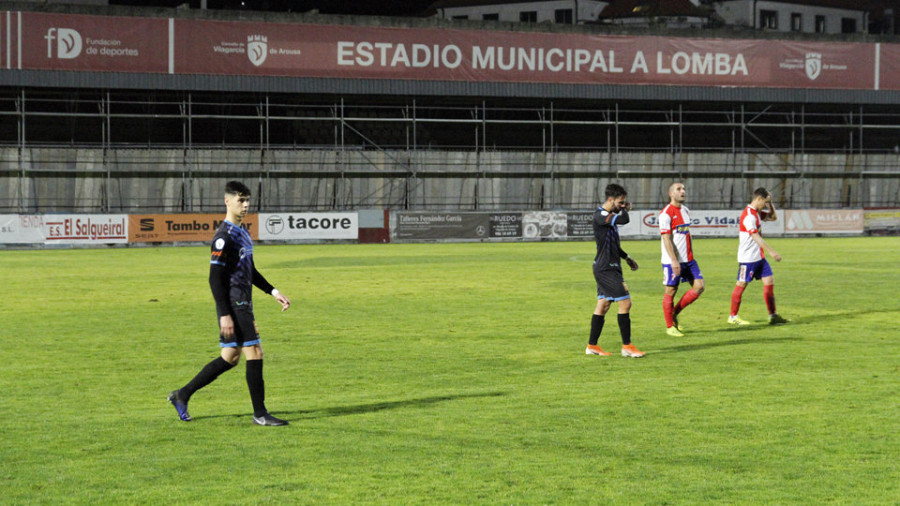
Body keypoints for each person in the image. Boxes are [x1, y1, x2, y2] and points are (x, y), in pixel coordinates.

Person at [168, 181, 293, 426]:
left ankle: (181, 395)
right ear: (228, 201)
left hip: (243, 302)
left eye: (247, 201)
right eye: (240, 201)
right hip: (235, 304)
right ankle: (260, 414)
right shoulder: (223, 237)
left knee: (230, 357)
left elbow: (250, 270)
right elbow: (214, 278)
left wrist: (273, 291)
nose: (246, 206)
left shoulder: (243, 232)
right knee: (254, 352)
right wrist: (225, 314)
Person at [586, 183, 645, 358]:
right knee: (625, 303)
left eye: (624, 203)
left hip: (610, 266)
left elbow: (613, 245)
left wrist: (627, 258)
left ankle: (592, 345)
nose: (622, 205)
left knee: (603, 305)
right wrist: (626, 209)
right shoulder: (601, 215)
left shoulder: (608, 215)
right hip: (606, 269)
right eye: (620, 202)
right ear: (611, 200)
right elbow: (624, 219)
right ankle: (627, 346)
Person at [729, 187, 789, 325]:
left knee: (769, 282)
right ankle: (733, 316)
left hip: (759, 258)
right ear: (759, 199)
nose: (765, 205)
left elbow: (773, 217)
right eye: (765, 202)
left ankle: (773, 316)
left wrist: (770, 203)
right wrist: (772, 251)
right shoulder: (749, 215)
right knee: (741, 284)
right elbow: (755, 236)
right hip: (748, 258)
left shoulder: (756, 212)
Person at [659, 182, 704, 337]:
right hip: (673, 261)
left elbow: (686, 235)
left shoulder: (685, 210)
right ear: (671, 193)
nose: (683, 191)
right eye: (679, 189)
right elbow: (666, 239)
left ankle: (674, 313)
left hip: (689, 260)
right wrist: (674, 260)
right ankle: (670, 326)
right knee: (671, 290)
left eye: (684, 188)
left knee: (699, 287)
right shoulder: (666, 213)